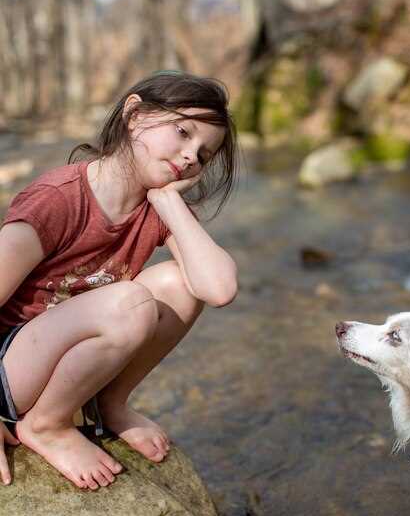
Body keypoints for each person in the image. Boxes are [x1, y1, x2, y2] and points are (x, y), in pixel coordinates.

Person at [0, 70, 239, 490]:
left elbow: (218, 289)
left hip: (62, 361)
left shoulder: (157, 208)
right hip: (9, 367)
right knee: (130, 302)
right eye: (182, 132)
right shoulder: (58, 199)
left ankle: (108, 404)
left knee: (181, 285)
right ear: (134, 113)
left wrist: (168, 200)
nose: (189, 157)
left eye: (203, 155)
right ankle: (46, 426)